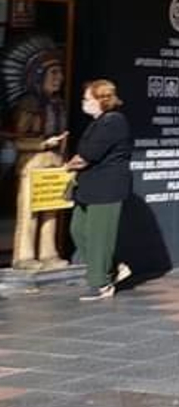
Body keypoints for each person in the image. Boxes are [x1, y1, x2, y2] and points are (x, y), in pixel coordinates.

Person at [45, 79, 133, 302]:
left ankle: (102, 284)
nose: (83, 102)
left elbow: (87, 156)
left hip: (106, 188)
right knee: (78, 230)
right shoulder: (98, 122)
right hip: (90, 187)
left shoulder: (113, 122)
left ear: (101, 100)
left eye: (87, 99)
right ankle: (112, 267)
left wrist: (66, 167)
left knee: (98, 235)